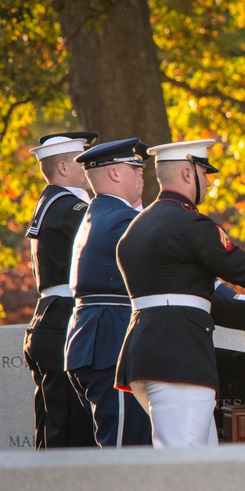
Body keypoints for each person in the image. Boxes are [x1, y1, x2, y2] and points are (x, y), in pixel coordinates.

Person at [115, 139, 245, 448]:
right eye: (204, 174)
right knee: (185, 461)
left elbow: (198, 299)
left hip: (146, 354)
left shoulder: (135, 229)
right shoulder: (191, 224)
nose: (208, 182)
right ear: (188, 174)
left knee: (200, 455)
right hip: (180, 357)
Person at [64, 138, 153, 447]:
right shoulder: (121, 219)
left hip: (93, 340)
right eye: (135, 168)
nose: (142, 175)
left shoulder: (97, 213)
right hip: (110, 343)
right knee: (125, 450)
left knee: (121, 444)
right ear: (115, 174)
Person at [25, 131, 100, 449]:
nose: (89, 169)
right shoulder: (71, 209)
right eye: (82, 161)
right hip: (65, 323)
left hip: (48, 320)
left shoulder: (49, 203)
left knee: (53, 431)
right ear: (65, 168)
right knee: (71, 435)